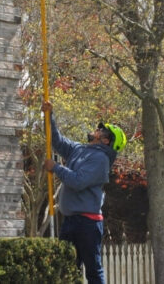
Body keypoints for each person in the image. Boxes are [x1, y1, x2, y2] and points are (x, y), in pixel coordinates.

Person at [41, 101, 127, 284]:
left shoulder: (101, 159)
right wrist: (50, 116)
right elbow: (57, 141)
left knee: (93, 271)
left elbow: (78, 181)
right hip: (70, 220)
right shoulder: (80, 149)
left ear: (106, 140)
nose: (96, 129)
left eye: (101, 130)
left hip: (88, 223)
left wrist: (55, 167)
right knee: (67, 268)